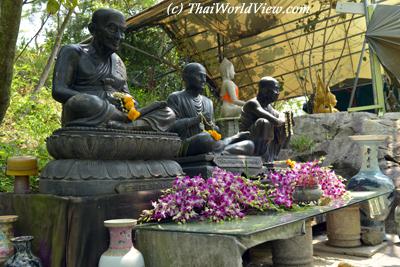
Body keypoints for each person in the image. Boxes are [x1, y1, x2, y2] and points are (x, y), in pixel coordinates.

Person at [52, 8, 174, 131]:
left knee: (167, 112)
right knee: (83, 101)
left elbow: (127, 96)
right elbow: (59, 90)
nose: (119, 36)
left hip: (115, 115)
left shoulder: (118, 62)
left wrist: (132, 104)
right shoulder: (73, 52)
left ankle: (128, 126)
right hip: (89, 112)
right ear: (92, 29)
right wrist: (103, 100)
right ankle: (126, 121)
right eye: (112, 29)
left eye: (122, 31)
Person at [167, 63, 254, 156]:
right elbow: (171, 127)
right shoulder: (176, 97)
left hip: (210, 143)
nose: (203, 80)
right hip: (187, 144)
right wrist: (196, 120)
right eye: (200, 76)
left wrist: (213, 127)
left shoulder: (208, 102)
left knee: (249, 144)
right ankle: (225, 148)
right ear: (186, 77)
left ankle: (221, 152)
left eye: (204, 77)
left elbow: (214, 129)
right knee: (205, 138)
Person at [239, 76, 289, 162]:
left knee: (287, 124)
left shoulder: (268, 107)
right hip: (248, 141)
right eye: (275, 89)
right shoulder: (253, 104)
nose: (277, 93)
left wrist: (285, 118)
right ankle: (259, 156)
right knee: (264, 122)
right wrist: (281, 119)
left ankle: (272, 156)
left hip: (264, 143)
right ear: (264, 90)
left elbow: (280, 115)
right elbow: (274, 120)